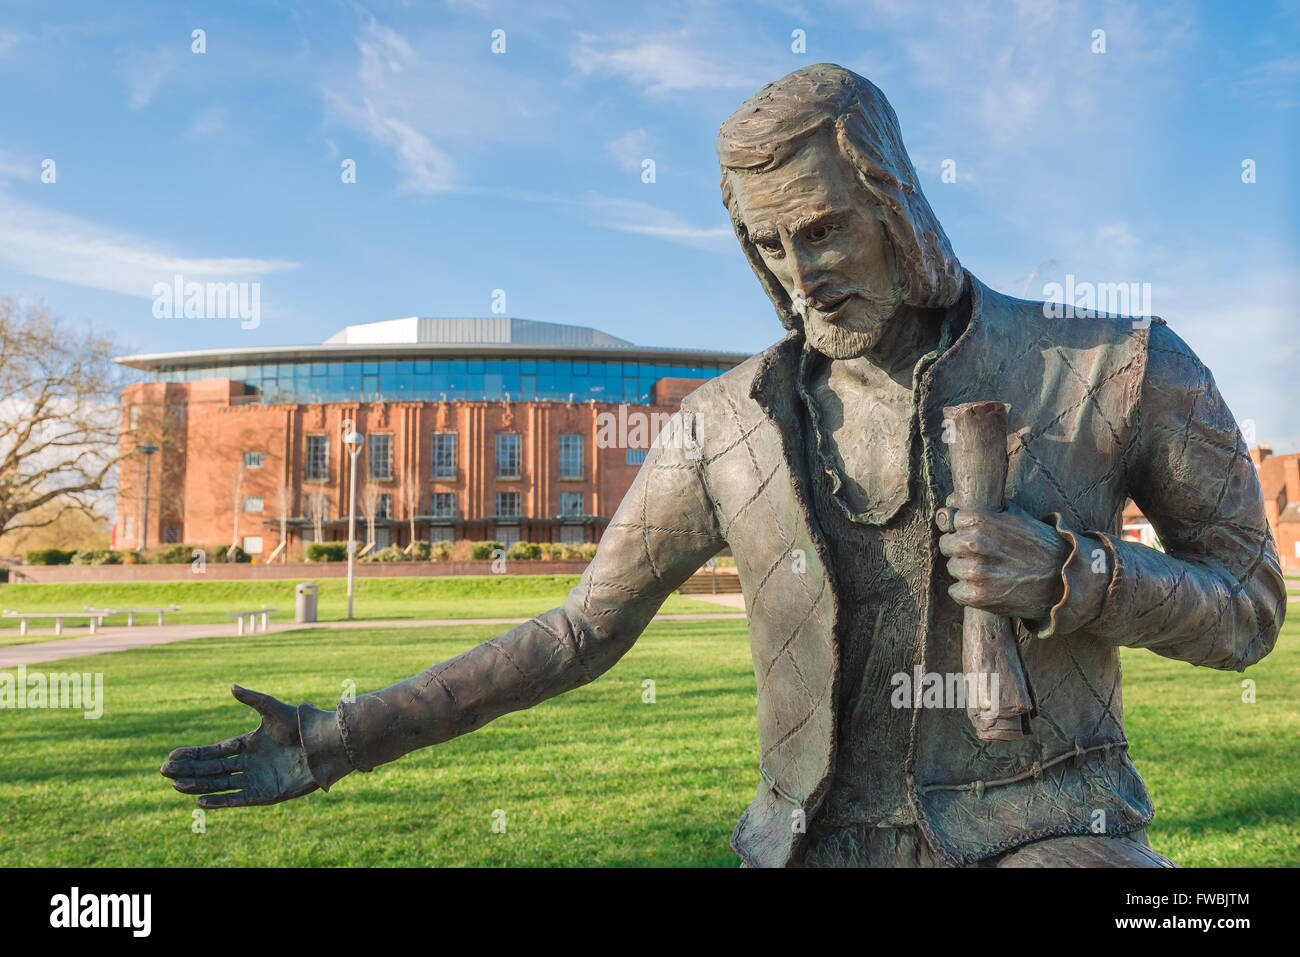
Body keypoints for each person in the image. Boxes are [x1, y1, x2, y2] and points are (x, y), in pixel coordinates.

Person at [163, 64, 1284, 868]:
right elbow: (578, 631)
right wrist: (340, 735)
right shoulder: (726, 424)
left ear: (895, 201)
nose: (800, 276)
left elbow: (1248, 612)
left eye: (822, 230)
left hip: (1048, 831)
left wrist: (1079, 582)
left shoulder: (1114, 365)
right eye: (766, 245)